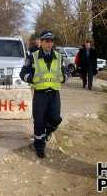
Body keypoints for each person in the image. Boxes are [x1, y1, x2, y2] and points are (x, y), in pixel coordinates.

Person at [20, 30, 66, 158]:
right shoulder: (32, 56)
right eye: (47, 41)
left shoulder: (59, 56)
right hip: (40, 94)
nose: (49, 43)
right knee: (39, 121)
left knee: (56, 118)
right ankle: (39, 146)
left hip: (54, 94)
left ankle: (46, 133)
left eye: (51, 41)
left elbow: (64, 72)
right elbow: (22, 74)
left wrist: (64, 77)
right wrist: (31, 78)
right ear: (41, 42)